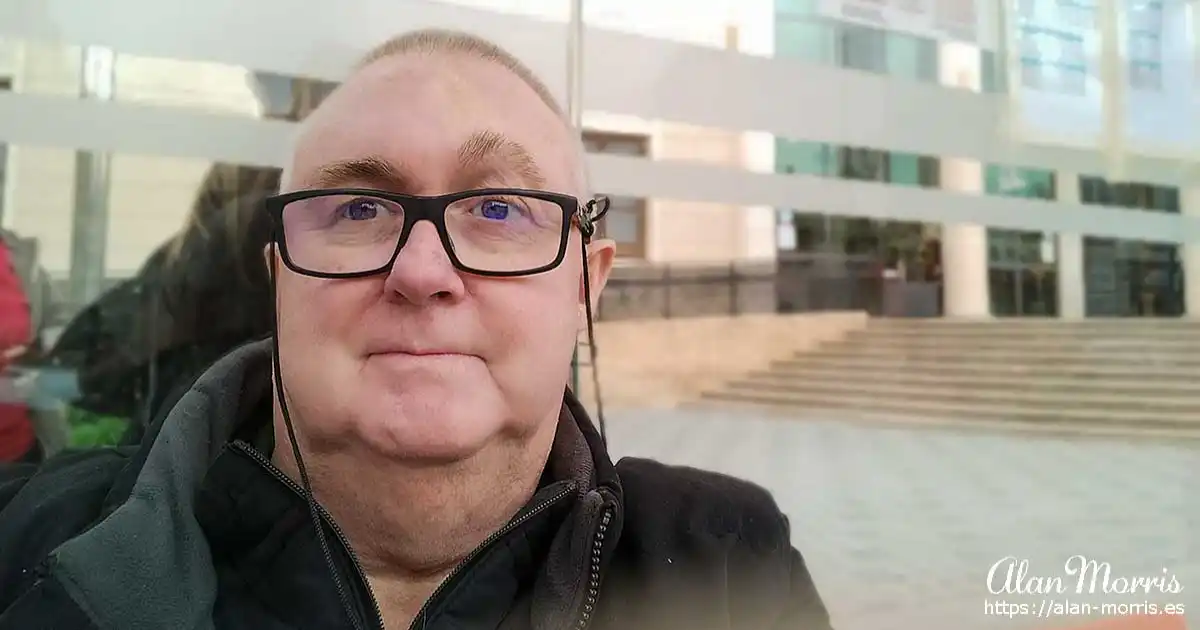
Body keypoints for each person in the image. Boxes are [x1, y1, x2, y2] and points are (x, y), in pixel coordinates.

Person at [0, 30, 831, 629]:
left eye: (500, 208)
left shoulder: (729, 566)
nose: (423, 273)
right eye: (359, 208)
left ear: (587, 282)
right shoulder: (28, 539)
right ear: (279, 276)